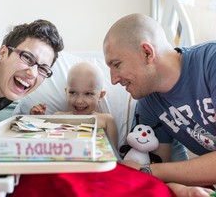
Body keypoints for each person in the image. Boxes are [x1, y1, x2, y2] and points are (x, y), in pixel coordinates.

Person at [103, 13, 216, 196]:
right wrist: (181, 189)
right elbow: (158, 172)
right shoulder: (149, 104)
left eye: (117, 64)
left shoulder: (211, 62)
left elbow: (152, 170)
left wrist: (147, 170)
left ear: (147, 52)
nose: (113, 79)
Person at [28, 61, 118, 147]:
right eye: (73, 92)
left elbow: (114, 155)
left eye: (88, 94)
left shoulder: (106, 120)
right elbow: (40, 143)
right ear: (66, 92)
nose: (79, 101)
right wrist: (36, 119)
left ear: (101, 96)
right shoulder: (57, 117)